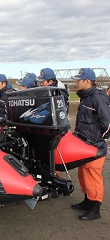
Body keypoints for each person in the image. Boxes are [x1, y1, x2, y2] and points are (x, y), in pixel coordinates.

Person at [70, 68, 110, 221]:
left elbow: (107, 124)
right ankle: (88, 201)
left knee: (93, 176)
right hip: (83, 146)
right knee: (83, 175)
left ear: (87, 81)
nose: (76, 82)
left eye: (78, 80)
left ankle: (95, 208)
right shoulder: (85, 97)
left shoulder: (98, 97)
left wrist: (98, 141)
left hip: (94, 146)